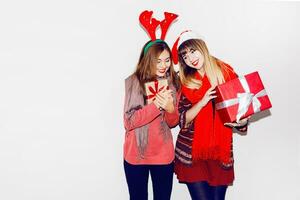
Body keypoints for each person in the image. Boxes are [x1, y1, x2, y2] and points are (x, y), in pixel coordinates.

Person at [172, 30, 249, 200]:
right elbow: (182, 120)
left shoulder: (226, 73)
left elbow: (241, 117)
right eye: (184, 56)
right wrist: (202, 101)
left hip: (220, 154)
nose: (190, 58)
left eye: (193, 51)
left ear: (202, 47)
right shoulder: (184, 81)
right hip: (192, 154)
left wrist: (241, 120)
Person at [123, 11, 180, 200]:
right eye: (158, 60)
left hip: (163, 156)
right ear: (148, 59)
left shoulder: (173, 83)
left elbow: (172, 123)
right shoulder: (133, 82)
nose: (163, 65)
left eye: (166, 60)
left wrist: (171, 109)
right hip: (136, 157)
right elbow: (129, 121)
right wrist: (156, 105)